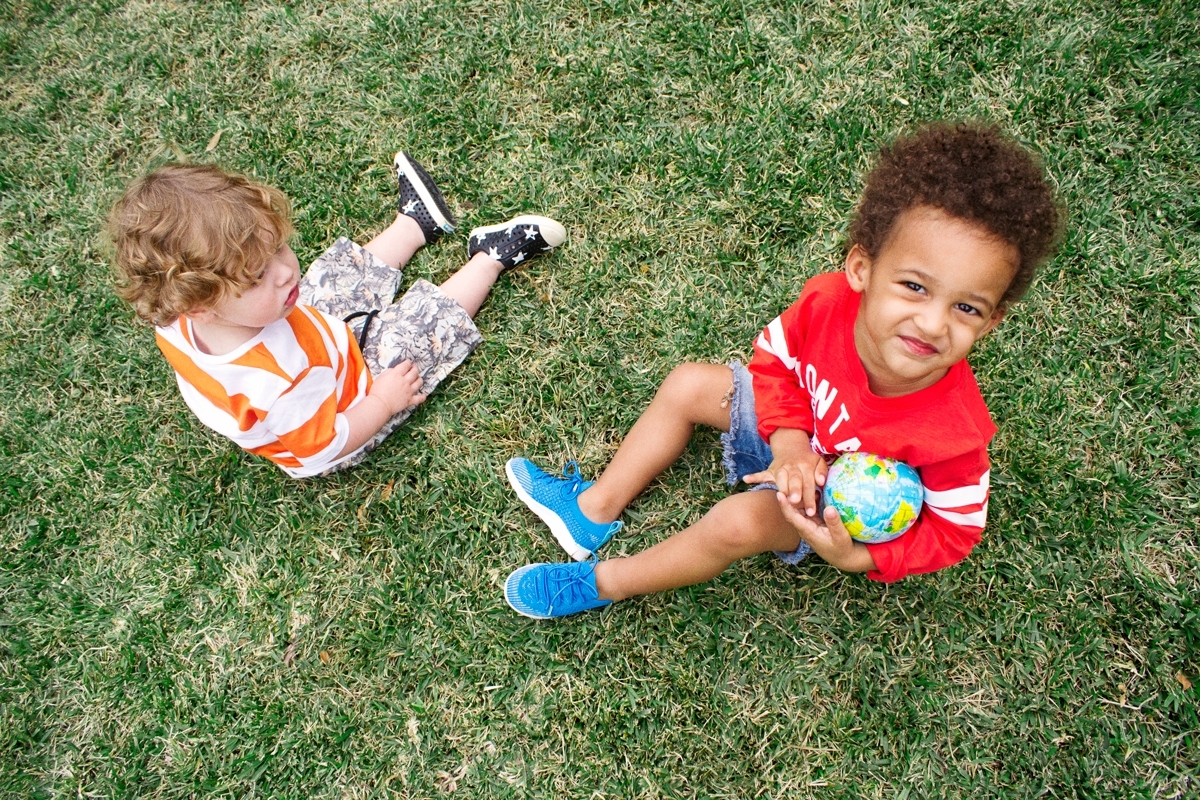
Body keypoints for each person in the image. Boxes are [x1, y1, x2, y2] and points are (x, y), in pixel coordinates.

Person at [502, 122, 1061, 618]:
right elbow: (773, 362)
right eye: (914, 287)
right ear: (862, 268)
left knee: (734, 524)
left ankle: (607, 583)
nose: (933, 322)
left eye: (966, 308)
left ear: (990, 322)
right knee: (688, 385)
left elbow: (954, 532)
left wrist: (858, 556)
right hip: (789, 430)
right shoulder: (825, 304)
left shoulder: (956, 435)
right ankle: (590, 512)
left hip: (821, 500)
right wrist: (790, 446)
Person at [110, 153, 565, 477]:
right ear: (200, 306)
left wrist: (266, 293)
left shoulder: (184, 316)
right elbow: (323, 446)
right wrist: (383, 401)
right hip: (347, 409)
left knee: (330, 279)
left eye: (278, 249)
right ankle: (490, 258)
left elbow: (279, 287)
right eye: (256, 277)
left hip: (313, 341)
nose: (285, 271)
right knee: (414, 336)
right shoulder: (277, 384)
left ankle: (416, 224)